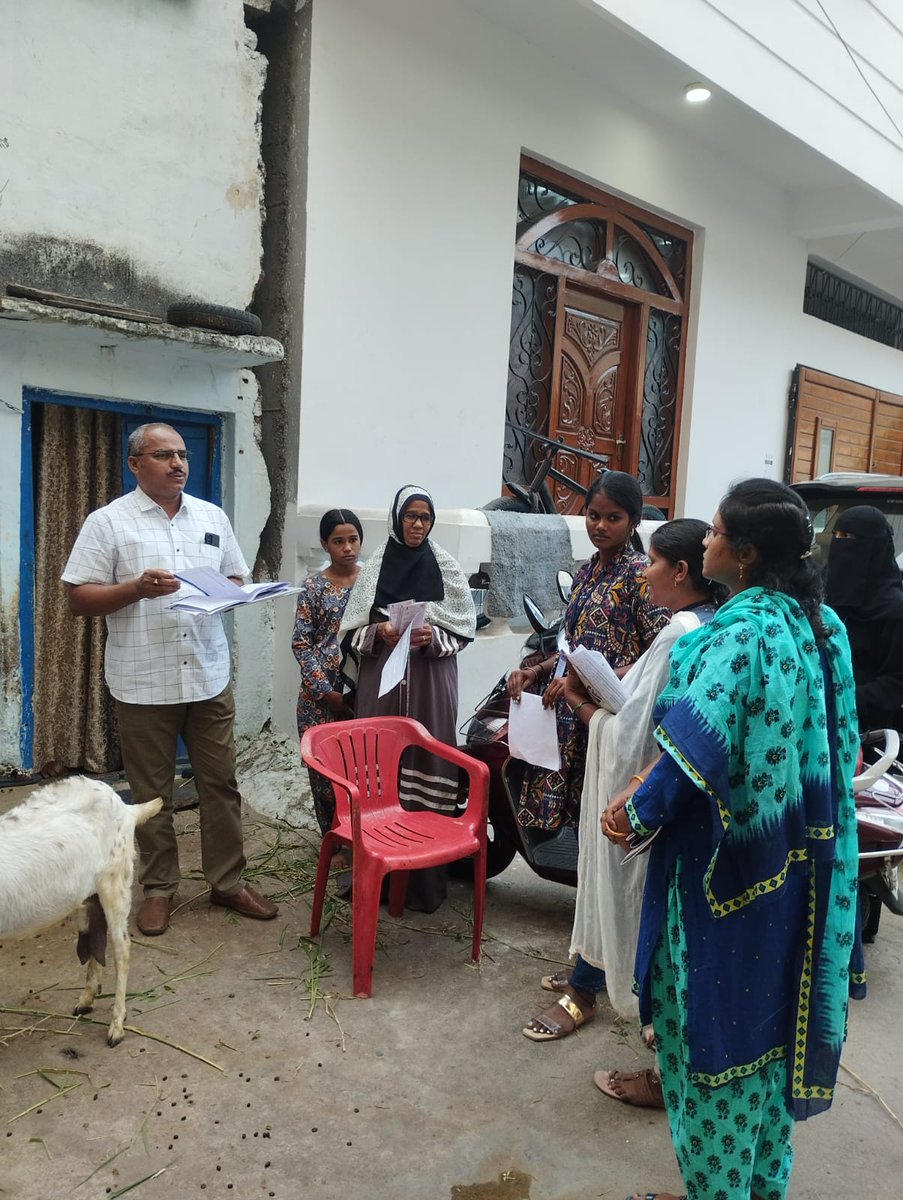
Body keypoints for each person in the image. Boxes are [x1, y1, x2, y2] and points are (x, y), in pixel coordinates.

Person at [603, 479, 860, 1200]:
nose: (705, 539)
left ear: (742, 554)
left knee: (714, 1055)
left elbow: (697, 752)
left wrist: (633, 814)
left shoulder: (738, 634)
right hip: (802, 876)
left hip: (725, 883)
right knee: (774, 1050)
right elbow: (836, 750)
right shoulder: (822, 626)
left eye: (714, 531)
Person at [62, 422, 279, 937]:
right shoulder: (108, 522)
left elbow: (235, 577)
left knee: (220, 784)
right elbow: (78, 598)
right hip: (143, 680)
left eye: (182, 454)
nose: (178, 463)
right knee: (151, 793)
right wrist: (136, 589)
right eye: (164, 455)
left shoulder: (211, 517)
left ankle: (228, 882)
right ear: (136, 464)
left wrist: (226, 592)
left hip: (207, 675)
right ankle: (159, 888)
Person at [523, 520, 721, 1045]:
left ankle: (588, 990)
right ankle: (591, 967)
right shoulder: (704, 620)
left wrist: (579, 700)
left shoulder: (681, 631)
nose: (644, 572)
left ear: (680, 571)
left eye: (653, 562)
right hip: (662, 775)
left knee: (618, 881)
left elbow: (634, 727)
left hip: (642, 782)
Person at [339, 485, 476, 913]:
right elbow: (349, 634)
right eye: (410, 516)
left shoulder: (447, 568)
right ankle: (375, 881)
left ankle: (423, 886)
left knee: (430, 760)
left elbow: (464, 629)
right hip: (382, 682)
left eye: (425, 517)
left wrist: (431, 636)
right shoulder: (375, 568)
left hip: (432, 683)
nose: (417, 524)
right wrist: (379, 631)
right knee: (377, 767)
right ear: (396, 519)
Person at [508, 472, 669, 835]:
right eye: (594, 515)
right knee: (574, 823)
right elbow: (573, 646)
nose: (600, 526)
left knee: (601, 813)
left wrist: (586, 680)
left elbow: (658, 656)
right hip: (570, 709)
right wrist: (537, 671)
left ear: (633, 521)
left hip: (608, 713)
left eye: (613, 518)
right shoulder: (586, 571)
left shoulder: (640, 576)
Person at [292, 509, 363, 834]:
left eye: (353, 539)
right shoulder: (313, 587)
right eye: (338, 541)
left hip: (360, 690)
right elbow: (301, 643)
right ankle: (332, 839)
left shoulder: (371, 583)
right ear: (324, 544)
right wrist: (326, 692)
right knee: (324, 772)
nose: (347, 548)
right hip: (320, 698)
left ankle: (359, 836)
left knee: (360, 768)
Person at [825, 504, 903, 734]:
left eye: (849, 538)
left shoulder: (894, 611)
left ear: (875, 547)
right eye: (837, 536)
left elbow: (896, 681)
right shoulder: (822, 597)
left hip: (867, 731)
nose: (841, 544)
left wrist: (842, 698)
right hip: (815, 722)